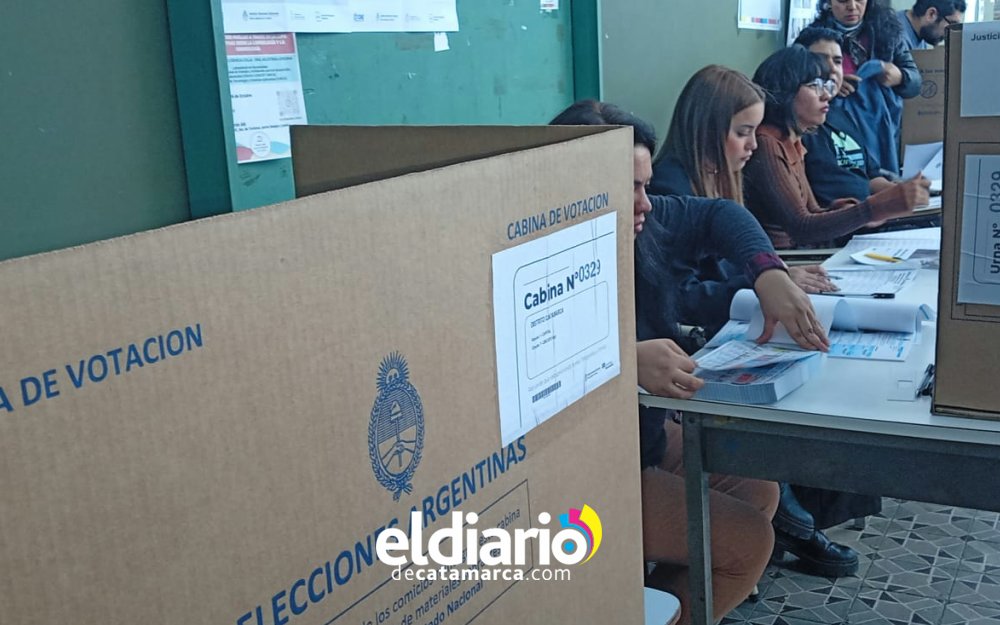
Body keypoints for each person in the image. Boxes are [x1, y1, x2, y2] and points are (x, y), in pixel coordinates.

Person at [551, 99, 828, 625]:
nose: (646, 204)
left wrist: (768, 273)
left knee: (757, 489)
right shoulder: (535, 256)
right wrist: (620, 362)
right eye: (628, 189)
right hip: (581, 464)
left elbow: (721, 216)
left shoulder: (645, 223)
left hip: (641, 431)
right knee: (746, 543)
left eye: (646, 186)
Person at [651, 65, 836, 334]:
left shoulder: (720, 176)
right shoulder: (669, 190)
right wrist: (762, 284)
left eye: (754, 131)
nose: (754, 145)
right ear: (707, 130)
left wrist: (779, 275)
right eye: (742, 132)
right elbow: (684, 299)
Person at [743, 45, 929, 249]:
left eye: (826, 85)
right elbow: (802, 228)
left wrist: (848, 210)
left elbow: (813, 211)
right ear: (785, 89)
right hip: (785, 257)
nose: (825, 95)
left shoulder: (793, 141)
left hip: (803, 252)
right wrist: (873, 209)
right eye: (814, 85)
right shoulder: (768, 144)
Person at [808, 0, 921, 174]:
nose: (852, 6)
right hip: (835, 132)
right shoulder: (813, 39)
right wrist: (830, 84)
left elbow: (915, 83)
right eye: (843, 0)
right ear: (829, 3)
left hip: (881, 131)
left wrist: (900, 76)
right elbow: (798, 84)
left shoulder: (888, 32)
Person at [795, 27, 898, 206]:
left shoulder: (842, 115)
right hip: (839, 219)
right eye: (820, 60)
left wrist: (907, 193)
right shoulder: (799, 123)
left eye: (837, 61)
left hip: (870, 213)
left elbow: (871, 177)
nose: (832, 69)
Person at [897, 0, 966, 50]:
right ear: (931, 14)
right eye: (951, 24)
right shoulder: (896, 38)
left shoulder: (921, 32)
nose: (950, 33)